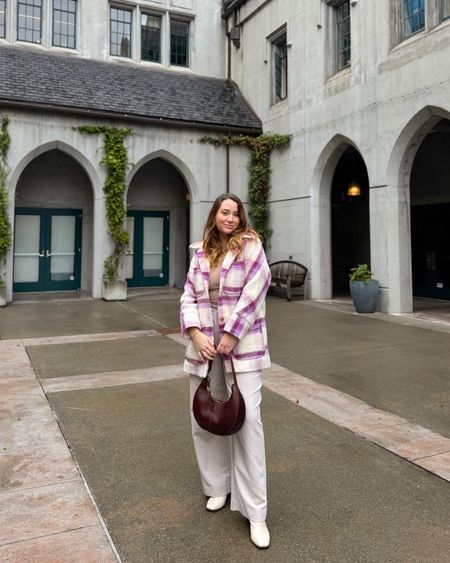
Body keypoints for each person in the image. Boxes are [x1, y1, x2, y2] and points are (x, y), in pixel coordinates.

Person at [180, 193, 272, 549]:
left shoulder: (251, 247)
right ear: (215, 215)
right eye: (224, 212)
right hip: (204, 342)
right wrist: (196, 333)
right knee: (205, 417)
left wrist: (233, 332)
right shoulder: (200, 250)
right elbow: (188, 294)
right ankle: (217, 486)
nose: (230, 218)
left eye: (236, 213)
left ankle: (256, 512)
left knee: (247, 423)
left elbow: (256, 290)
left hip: (242, 341)